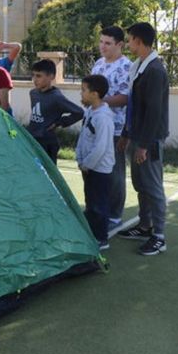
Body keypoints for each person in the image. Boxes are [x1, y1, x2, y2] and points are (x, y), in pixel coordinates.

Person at [117, 22, 170, 256]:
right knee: (141, 185)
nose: (128, 43)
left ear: (139, 40)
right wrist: (127, 134)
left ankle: (159, 236)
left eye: (129, 39)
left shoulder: (155, 70)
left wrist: (145, 145)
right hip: (137, 136)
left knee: (153, 187)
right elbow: (134, 106)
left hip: (149, 140)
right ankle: (145, 225)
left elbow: (153, 112)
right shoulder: (139, 66)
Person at [90, 26, 132, 235]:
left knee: (115, 173)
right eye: (101, 42)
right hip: (95, 128)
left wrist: (99, 100)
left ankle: (114, 215)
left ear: (120, 45)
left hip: (115, 129)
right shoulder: (98, 64)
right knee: (96, 171)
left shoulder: (126, 67)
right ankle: (97, 210)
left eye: (107, 43)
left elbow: (125, 98)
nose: (102, 46)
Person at [76, 74, 115, 250]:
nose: (81, 93)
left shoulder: (104, 117)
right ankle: (91, 233)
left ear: (95, 94)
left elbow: (101, 147)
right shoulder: (91, 111)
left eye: (84, 90)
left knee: (99, 205)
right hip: (88, 168)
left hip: (99, 170)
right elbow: (83, 137)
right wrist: (79, 157)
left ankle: (101, 239)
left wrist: (87, 164)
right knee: (91, 202)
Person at [26, 60, 84, 164]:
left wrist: (59, 122)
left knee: (48, 173)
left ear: (51, 77)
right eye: (33, 75)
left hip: (47, 142)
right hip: (32, 139)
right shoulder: (33, 93)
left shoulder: (56, 97)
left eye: (39, 76)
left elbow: (79, 112)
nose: (34, 79)